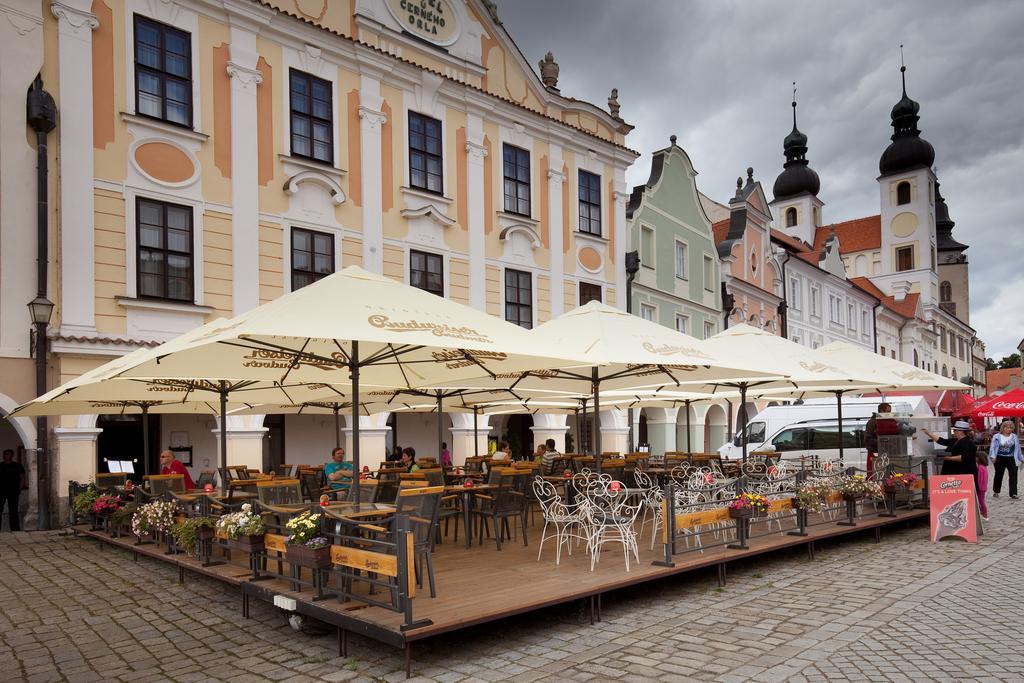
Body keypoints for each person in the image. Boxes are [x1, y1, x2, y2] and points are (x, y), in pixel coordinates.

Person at [922, 421, 979, 501]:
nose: (954, 432)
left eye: (955, 430)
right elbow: (942, 441)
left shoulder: (968, 442)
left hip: (962, 472)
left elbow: (964, 457)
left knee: (962, 494)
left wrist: (947, 458)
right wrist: (928, 433)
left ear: (961, 431)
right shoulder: (956, 440)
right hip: (954, 471)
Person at [989, 420, 1022, 499]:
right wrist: (993, 456)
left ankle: (1013, 493)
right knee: (999, 474)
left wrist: (1021, 458)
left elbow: (1018, 449)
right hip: (1000, 458)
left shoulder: (1014, 437)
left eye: (1011, 428)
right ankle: (996, 491)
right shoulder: (997, 436)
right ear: (1003, 428)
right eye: (1007, 428)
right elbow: (992, 447)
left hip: (1011, 458)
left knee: (1013, 473)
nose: (1009, 429)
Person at [0, 449, 26, 532]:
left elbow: (22, 478)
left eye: (7, 454)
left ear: (12, 455)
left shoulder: (17, 465)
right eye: (4, 454)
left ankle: (15, 529)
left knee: (13, 511)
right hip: (1, 491)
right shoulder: (0, 465)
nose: (5, 456)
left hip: (13, 491)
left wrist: (19, 489)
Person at [863, 402, 891, 479]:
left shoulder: (887, 421)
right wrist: (882, 441)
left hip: (886, 453)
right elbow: (867, 440)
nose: (890, 413)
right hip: (874, 453)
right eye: (888, 412)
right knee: (874, 476)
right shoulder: (872, 423)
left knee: (885, 476)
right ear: (881, 411)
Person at [976, 447, 990, 521]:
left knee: (981, 502)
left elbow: (979, 479)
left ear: (978, 458)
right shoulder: (984, 467)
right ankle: (983, 513)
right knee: (981, 501)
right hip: (983, 487)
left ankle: (984, 515)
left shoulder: (980, 468)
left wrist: (977, 487)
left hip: (980, 488)